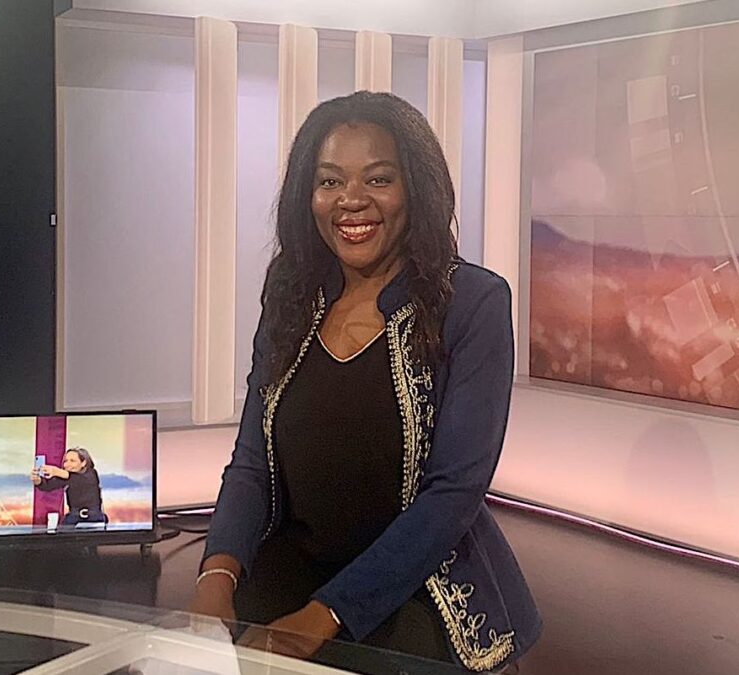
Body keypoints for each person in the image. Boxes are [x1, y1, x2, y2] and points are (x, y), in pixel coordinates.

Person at [191, 91, 541, 673]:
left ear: (416, 188)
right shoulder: (291, 293)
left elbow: (453, 494)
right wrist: (216, 575)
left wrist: (322, 618)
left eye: (378, 179)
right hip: (291, 578)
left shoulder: (473, 303)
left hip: (419, 594)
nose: (351, 200)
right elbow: (253, 461)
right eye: (329, 181)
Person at [32, 447, 108, 526]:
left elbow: (77, 479)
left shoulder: (91, 474)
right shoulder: (65, 476)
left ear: (83, 463)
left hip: (94, 517)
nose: (67, 464)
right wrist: (38, 481)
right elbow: (47, 486)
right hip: (73, 517)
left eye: (72, 461)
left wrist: (56, 471)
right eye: (66, 461)